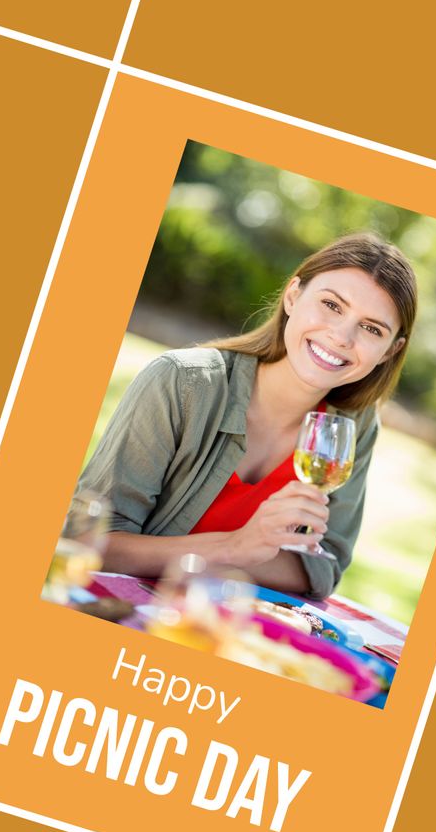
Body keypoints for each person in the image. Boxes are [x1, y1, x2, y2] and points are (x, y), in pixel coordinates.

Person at [75, 232, 417, 599]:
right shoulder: (180, 382)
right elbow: (88, 541)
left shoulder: (352, 426)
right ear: (293, 296)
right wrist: (236, 547)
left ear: (389, 351)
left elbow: (322, 567)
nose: (342, 336)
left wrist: (233, 558)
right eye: (332, 305)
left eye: (371, 328)